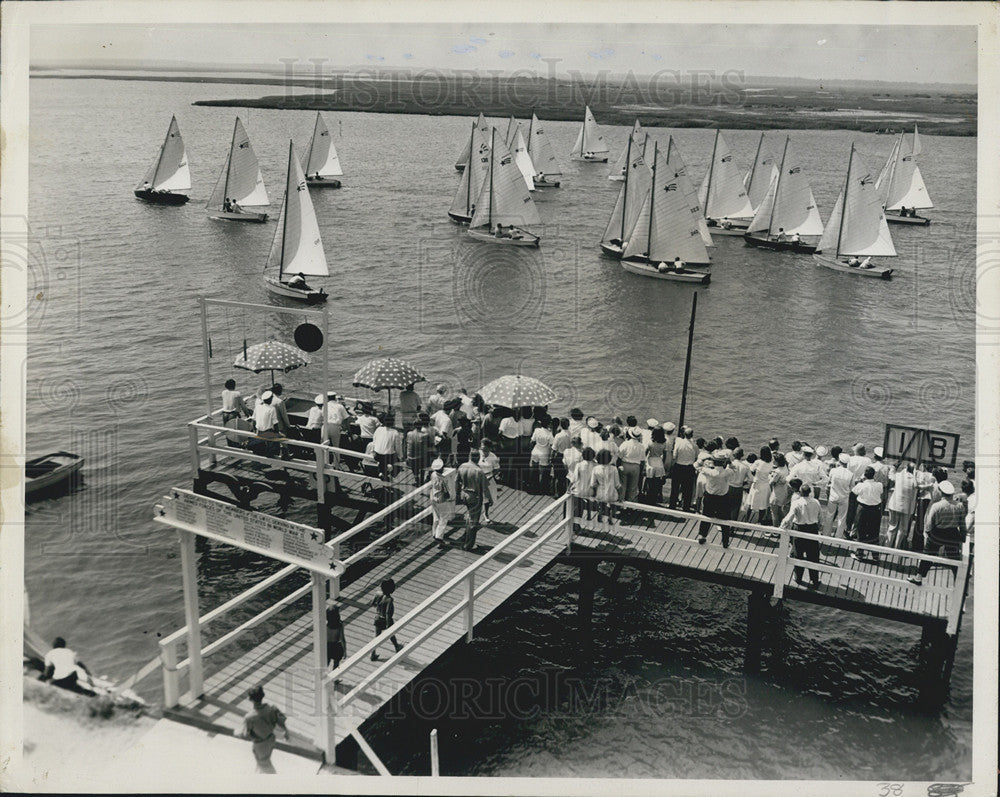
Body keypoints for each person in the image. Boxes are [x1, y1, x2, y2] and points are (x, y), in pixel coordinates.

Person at [908, 481, 967, 585]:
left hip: (938, 533)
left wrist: (928, 534)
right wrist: (962, 537)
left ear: (941, 492)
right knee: (955, 559)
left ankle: (919, 577)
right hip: (953, 534)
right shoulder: (960, 506)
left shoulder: (937, 506)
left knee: (928, 555)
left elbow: (929, 524)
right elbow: (962, 524)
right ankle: (960, 584)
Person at [239, 685, 289, 774]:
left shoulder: (250, 717)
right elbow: (281, 721)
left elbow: (244, 734)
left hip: (260, 744)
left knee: (264, 764)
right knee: (263, 760)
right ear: (262, 695)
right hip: (271, 739)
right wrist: (286, 731)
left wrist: (236, 732)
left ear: (250, 699)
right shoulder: (272, 709)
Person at [780, 484, 822, 588]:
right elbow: (820, 516)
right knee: (813, 555)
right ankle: (814, 579)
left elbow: (789, 516)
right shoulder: (816, 502)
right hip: (812, 529)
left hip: (799, 528)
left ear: (800, 492)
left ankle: (798, 577)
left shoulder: (796, 503)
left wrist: (782, 526)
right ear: (809, 492)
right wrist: (820, 526)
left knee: (798, 554)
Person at [695, 454, 732, 547]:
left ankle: (702, 535)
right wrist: (729, 462)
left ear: (714, 462)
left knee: (706, 517)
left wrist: (702, 458)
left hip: (710, 497)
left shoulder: (709, 472)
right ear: (723, 462)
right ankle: (725, 541)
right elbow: (734, 468)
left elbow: (695, 465)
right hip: (723, 498)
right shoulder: (728, 472)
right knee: (725, 520)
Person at [457, 450, 488, 551]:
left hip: (464, 494)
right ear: (478, 458)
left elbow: (456, 481)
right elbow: (485, 488)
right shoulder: (479, 471)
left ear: (469, 456)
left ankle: (465, 536)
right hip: (475, 496)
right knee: (474, 522)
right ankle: (469, 545)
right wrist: (490, 499)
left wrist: (458, 494)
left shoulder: (462, 466)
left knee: (469, 517)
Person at [851, 467, 884, 563]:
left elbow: (854, 491)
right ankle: (875, 555)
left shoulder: (861, 485)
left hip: (863, 509)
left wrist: (861, 480)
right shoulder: (879, 485)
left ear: (865, 475)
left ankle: (860, 554)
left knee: (861, 531)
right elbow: (881, 492)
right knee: (874, 532)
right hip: (875, 510)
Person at [886, 461, 918, 549]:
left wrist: (894, 466)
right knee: (902, 529)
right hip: (907, 508)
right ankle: (897, 547)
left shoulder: (899, 476)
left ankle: (887, 546)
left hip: (895, 504)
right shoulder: (915, 480)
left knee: (892, 527)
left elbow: (891, 475)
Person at [371, 578, 404, 661]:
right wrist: (388, 623)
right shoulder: (389, 600)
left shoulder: (378, 594)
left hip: (377, 618)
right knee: (391, 634)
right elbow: (388, 613)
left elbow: (373, 604)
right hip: (385, 620)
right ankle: (397, 647)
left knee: (377, 637)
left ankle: (372, 653)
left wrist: (379, 606)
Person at [669, 425, 699, 511]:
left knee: (675, 488)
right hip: (689, 468)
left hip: (678, 467)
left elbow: (674, 456)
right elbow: (697, 457)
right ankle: (686, 507)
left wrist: (672, 466)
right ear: (692, 435)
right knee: (688, 490)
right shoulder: (695, 446)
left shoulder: (679, 443)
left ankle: (672, 505)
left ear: (684, 434)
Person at [590, 449, 621, 526]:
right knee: (613, 502)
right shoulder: (614, 469)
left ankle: (600, 512)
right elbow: (617, 484)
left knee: (601, 500)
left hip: (600, 493)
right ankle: (610, 517)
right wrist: (620, 495)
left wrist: (594, 492)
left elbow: (593, 484)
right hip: (612, 493)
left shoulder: (595, 469)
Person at [826, 453, 854, 538]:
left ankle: (826, 534)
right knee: (842, 518)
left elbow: (829, 482)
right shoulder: (851, 474)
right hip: (844, 498)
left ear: (839, 461)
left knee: (829, 516)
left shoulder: (833, 470)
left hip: (833, 496)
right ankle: (838, 536)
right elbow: (852, 487)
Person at [428, 458, 452, 548]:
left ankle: (434, 533)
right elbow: (446, 491)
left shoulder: (433, 474)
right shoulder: (443, 479)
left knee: (436, 517)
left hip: (433, 498)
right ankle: (439, 536)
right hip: (441, 500)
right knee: (443, 519)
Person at [372, 412, 403, 481]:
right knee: (399, 465)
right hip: (388, 456)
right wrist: (400, 456)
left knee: (383, 460)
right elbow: (398, 447)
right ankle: (387, 473)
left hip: (377, 455)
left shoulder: (378, 429)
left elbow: (374, 441)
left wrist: (373, 451)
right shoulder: (395, 432)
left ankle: (382, 472)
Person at [618, 428, 645, 507]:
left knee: (623, 485)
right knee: (633, 487)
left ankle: (621, 504)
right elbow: (642, 460)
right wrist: (641, 470)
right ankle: (631, 505)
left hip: (625, 464)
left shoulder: (625, 444)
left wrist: (619, 466)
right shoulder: (641, 446)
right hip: (636, 466)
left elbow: (619, 456)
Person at [746, 446, 773, 525]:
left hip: (757, 484)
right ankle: (759, 521)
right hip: (766, 485)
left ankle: (747, 520)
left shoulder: (758, 462)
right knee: (763, 504)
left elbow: (751, 470)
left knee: (750, 503)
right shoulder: (771, 463)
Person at [529, 418, 554, 494]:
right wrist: (551, 457)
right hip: (544, 453)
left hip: (535, 451)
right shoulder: (549, 434)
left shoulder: (537, 430)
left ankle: (534, 487)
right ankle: (542, 489)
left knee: (534, 470)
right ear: (548, 424)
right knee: (543, 473)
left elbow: (532, 441)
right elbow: (552, 446)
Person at [643, 426, 668, 503]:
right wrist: (662, 463)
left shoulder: (650, 442)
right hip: (659, 462)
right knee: (657, 483)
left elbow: (646, 452)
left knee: (649, 482)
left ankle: (648, 497)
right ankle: (655, 498)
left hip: (651, 461)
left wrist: (644, 462)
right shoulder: (664, 443)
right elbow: (665, 454)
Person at [478, 439, 501, 522]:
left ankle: (486, 513)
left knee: (487, 498)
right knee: (477, 497)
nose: (482, 449)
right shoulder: (478, 454)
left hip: (488, 479)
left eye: (484, 447)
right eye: (481, 447)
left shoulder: (493, 457)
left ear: (489, 448)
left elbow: (497, 469)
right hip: (478, 478)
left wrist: (490, 476)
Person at [768, 453, 791, 527]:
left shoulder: (777, 471)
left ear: (777, 461)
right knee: (780, 511)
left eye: (774, 460)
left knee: (774, 513)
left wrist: (770, 476)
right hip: (783, 492)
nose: (773, 461)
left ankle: (775, 531)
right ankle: (783, 526)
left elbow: (771, 483)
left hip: (776, 494)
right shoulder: (785, 468)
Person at [326, 605, 346, 674]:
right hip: (336, 646)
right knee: (336, 664)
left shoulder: (326, 624)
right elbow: (342, 638)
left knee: (326, 664)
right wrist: (345, 650)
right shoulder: (340, 625)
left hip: (327, 646)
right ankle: (334, 678)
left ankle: (323, 678)